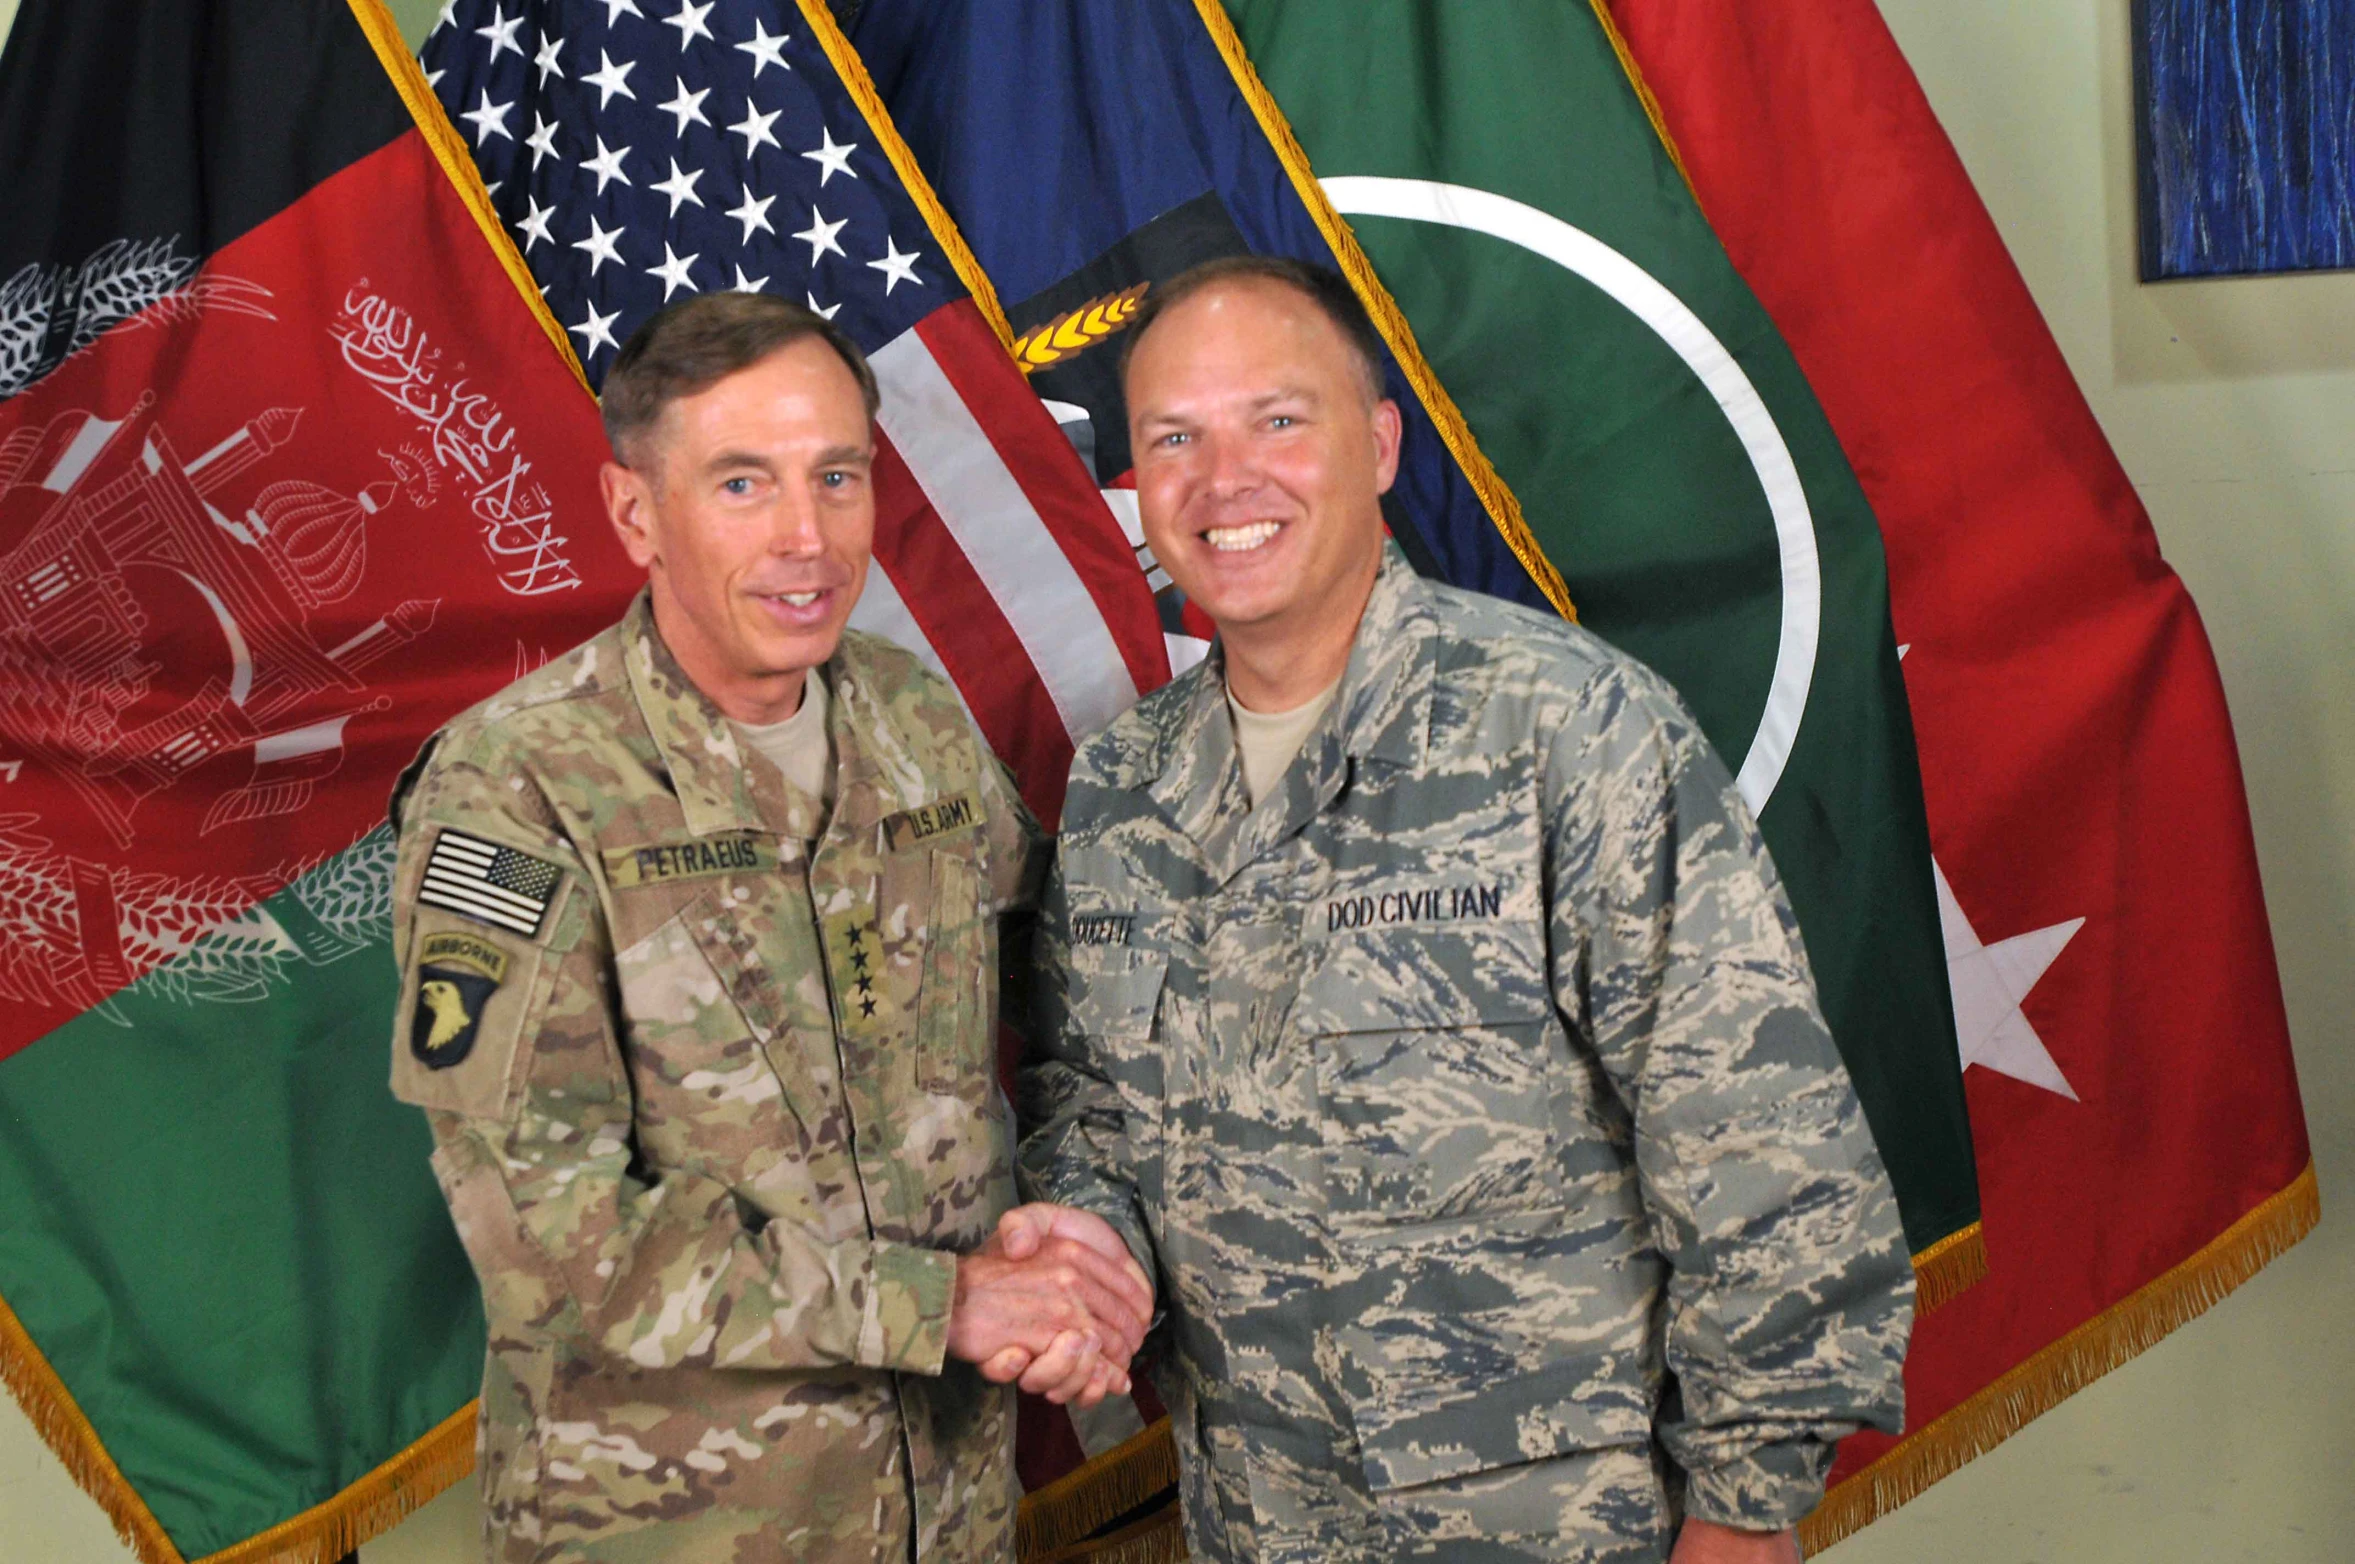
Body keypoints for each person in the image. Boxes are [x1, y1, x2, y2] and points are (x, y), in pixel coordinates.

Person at [1016, 257, 1914, 1562]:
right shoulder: (1120, 790)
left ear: (1375, 444)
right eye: (1175, 438)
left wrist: (1745, 1500)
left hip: (1574, 1528)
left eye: (1277, 420)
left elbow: (1758, 1136)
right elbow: (1086, 1109)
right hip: (1263, 1523)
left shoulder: (1567, 730)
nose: (1226, 482)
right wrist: (1086, 1248)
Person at [386, 292, 1150, 1564]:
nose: (809, 538)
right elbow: (549, 1234)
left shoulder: (910, 719)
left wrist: (1074, 1231)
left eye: (836, 476)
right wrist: (942, 1303)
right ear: (636, 511)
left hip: (950, 1508)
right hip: (686, 1525)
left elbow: (1064, 990)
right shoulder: (515, 792)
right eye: (742, 484)